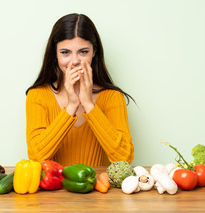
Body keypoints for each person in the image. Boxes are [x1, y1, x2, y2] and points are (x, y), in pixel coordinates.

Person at [25, 13, 134, 166]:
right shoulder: (37, 95)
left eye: (83, 52)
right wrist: (71, 106)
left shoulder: (112, 97)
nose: (75, 61)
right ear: (55, 54)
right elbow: (36, 156)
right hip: (53, 189)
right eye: (65, 52)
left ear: (94, 52)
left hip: (97, 187)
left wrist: (89, 105)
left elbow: (124, 157)